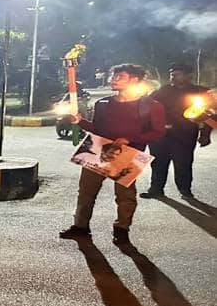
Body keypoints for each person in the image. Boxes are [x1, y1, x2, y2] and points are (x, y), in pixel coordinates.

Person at [60, 63, 165, 246]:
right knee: (86, 191)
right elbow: (96, 129)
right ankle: (80, 227)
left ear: (134, 80)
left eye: (119, 76)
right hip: (98, 150)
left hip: (128, 154)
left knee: (125, 196)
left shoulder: (150, 106)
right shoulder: (103, 103)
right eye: (112, 76)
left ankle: (122, 229)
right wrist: (80, 122)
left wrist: (129, 138)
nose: (113, 80)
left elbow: (158, 132)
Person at [141, 63, 212, 200]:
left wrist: (205, 134)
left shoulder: (201, 92)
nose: (173, 77)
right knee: (158, 163)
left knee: (183, 163)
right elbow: (146, 109)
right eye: (171, 74)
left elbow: (209, 116)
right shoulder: (163, 91)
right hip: (160, 135)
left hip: (184, 135)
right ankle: (156, 189)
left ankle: (185, 190)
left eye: (177, 74)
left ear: (189, 75)